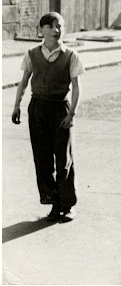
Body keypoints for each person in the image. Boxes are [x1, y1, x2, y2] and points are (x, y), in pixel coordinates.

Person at [11, 12, 85, 222]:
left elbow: (77, 88)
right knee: (42, 159)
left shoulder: (71, 55)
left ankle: (68, 205)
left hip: (60, 108)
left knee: (63, 159)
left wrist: (72, 114)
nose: (56, 30)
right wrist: (16, 106)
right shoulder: (32, 54)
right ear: (41, 30)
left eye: (59, 26)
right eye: (51, 26)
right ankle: (53, 203)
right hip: (38, 109)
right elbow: (24, 82)